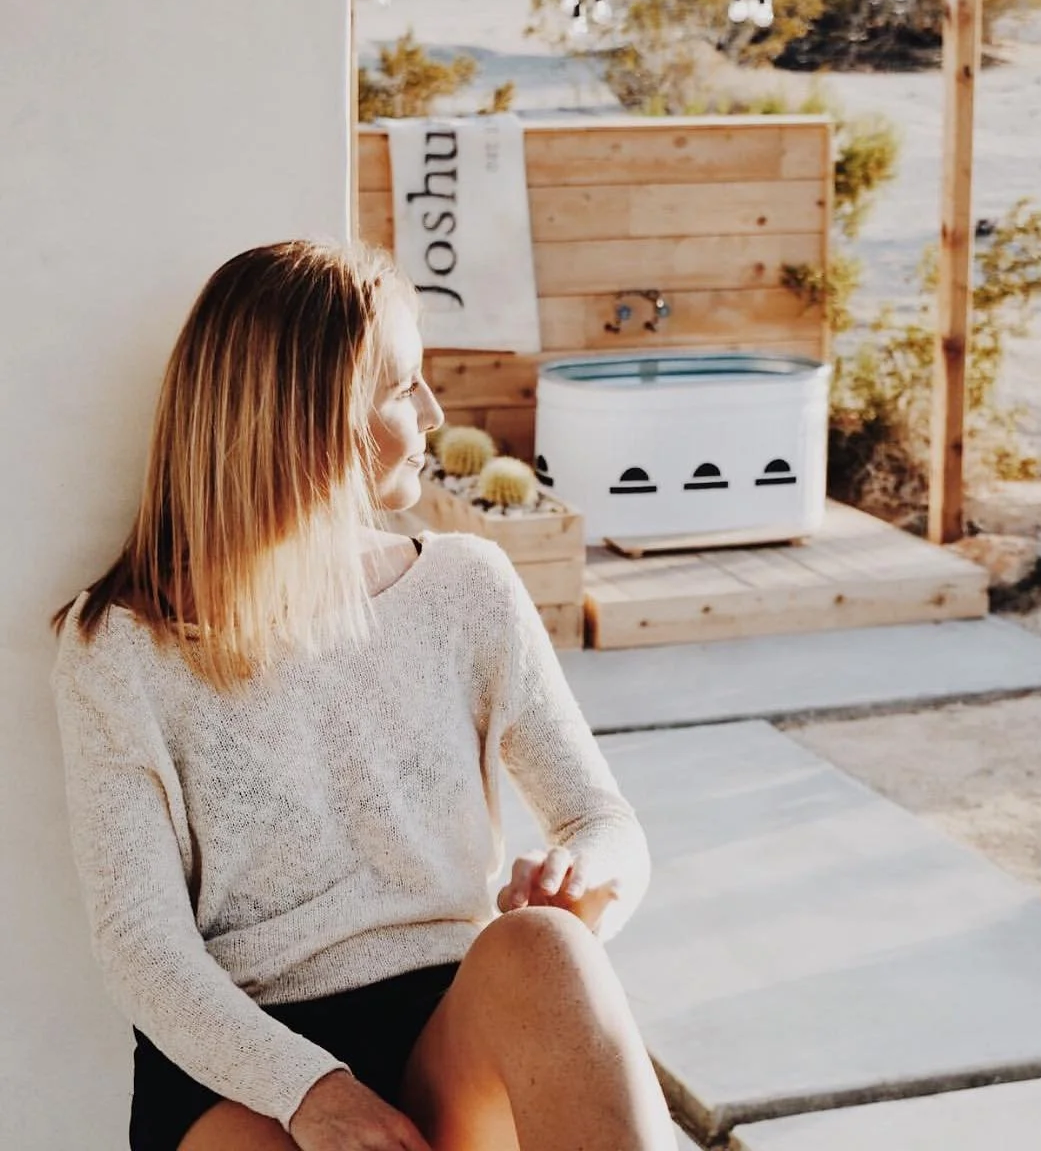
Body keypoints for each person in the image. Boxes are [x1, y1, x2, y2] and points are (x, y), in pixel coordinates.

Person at [51, 241, 676, 1151]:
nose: (432, 412)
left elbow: (600, 817)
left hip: (445, 1027)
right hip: (243, 1064)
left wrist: (588, 882)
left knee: (548, 948)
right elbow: (144, 951)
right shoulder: (118, 650)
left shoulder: (468, 587)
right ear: (307, 418)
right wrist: (312, 1092)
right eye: (400, 388)